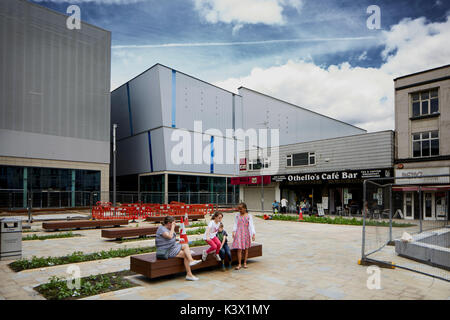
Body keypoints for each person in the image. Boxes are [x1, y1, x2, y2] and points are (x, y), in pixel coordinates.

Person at [155, 216, 202, 281]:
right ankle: (189, 273)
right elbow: (169, 236)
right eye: (173, 223)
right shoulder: (162, 229)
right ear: (169, 223)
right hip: (167, 250)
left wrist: (178, 239)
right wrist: (173, 228)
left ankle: (191, 261)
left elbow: (171, 238)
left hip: (172, 246)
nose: (175, 225)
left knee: (185, 245)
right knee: (186, 254)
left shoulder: (168, 228)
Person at [232, 202, 256, 270]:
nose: (240, 210)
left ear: (245, 209)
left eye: (241, 209)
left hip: (246, 233)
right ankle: (239, 264)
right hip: (239, 233)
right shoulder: (237, 215)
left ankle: (245, 262)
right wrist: (234, 231)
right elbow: (235, 224)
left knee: (246, 249)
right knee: (239, 249)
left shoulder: (249, 216)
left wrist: (253, 234)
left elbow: (251, 225)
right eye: (239, 209)